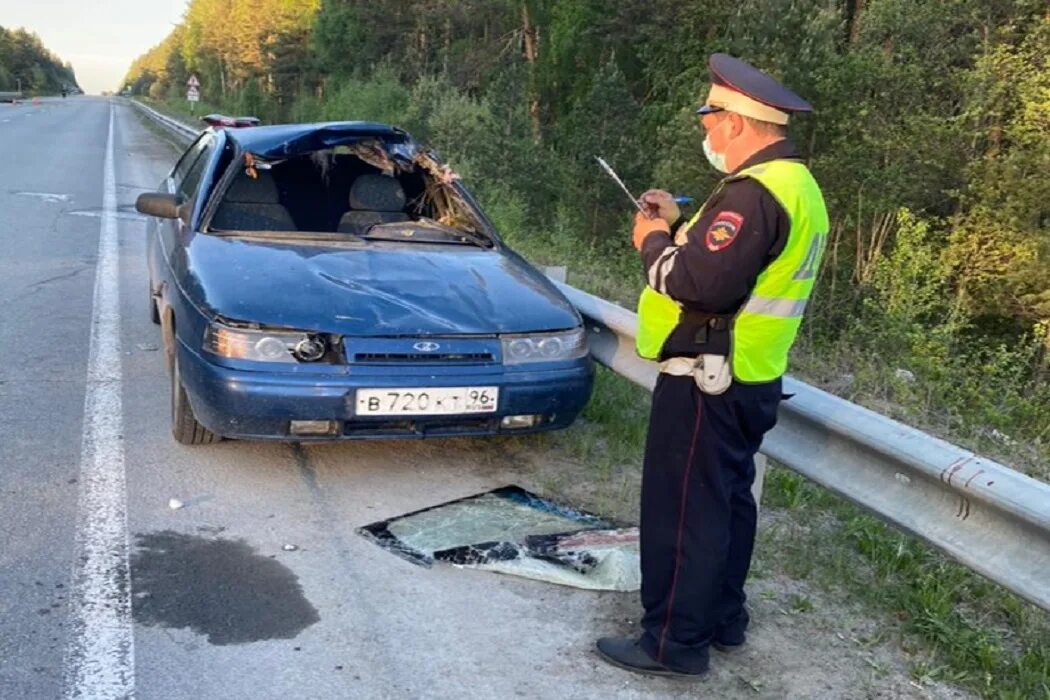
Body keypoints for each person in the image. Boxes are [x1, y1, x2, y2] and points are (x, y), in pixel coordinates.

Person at [596, 53, 830, 679]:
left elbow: (700, 282)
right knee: (727, 503)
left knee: (684, 513)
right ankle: (724, 618)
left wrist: (650, 240)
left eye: (708, 116)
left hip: (707, 377)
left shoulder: (751, 194)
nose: (704, 130)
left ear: (736, 121)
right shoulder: (797, 185)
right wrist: (675, 223)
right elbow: (733, 265)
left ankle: (673, 642)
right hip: (751, 374)